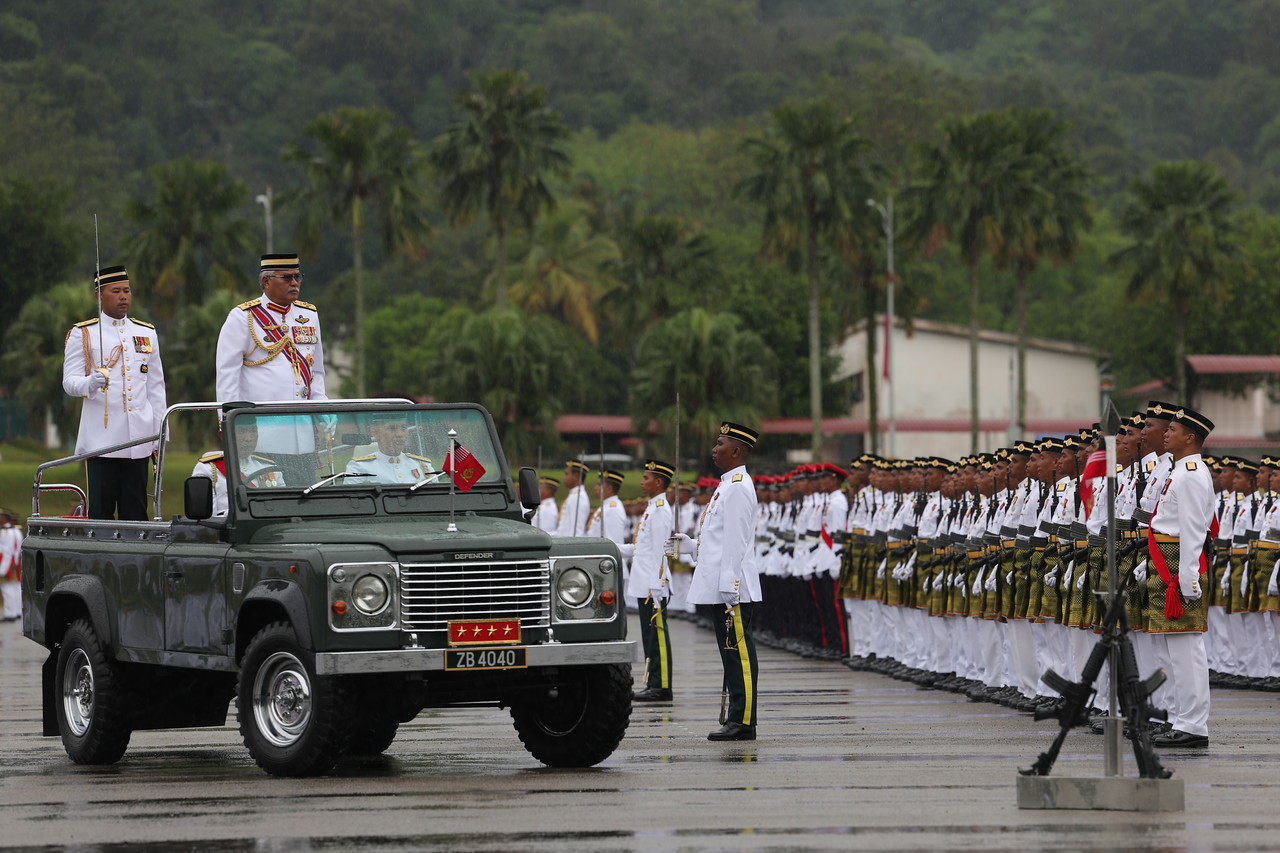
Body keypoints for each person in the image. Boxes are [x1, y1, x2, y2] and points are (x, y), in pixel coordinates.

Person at [672, 422, 762, 741]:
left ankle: (744, 720)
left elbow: (737, 542)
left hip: (732, 587)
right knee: (729, 653)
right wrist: (689, 545)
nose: (714, 448)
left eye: (720, 443)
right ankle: (737, 716)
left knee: (738, 653)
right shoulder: (725, 485)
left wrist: (730, 584)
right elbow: (717, 540)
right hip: (722, 585)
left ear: (736, 451)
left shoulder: (738, 486)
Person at [62, 264, 167, 520]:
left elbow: (155, 387)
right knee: (101, 512)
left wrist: (160, 433)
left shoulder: (145, 332)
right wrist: (91, 382)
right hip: (103, 441)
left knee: (136, 512)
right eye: (116, 291)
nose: (123, 296)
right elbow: (69, 382)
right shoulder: (84, 333)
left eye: (127, 291)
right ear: (99, 295)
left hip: (138, 439)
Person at [215, 253, 328, 484]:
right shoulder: (243, 317)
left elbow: (315, 371)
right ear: (266, 281)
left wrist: (323, 409)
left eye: (297, 277)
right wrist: (228, 424)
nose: (294, 283)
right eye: (286, 278)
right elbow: (227, 377)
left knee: (304, 496)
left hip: (304, 434)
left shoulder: (308, 314)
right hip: (263, 437)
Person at [1148, 406, 1217, 748]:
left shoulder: (1191, 473)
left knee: (1187, 648)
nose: (1166, 433)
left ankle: (1193, 726)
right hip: (1166, 560)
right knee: (1171, 649)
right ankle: (1181, 718)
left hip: (1178, 565)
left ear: (1190, 437)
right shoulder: (1179, 471)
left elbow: (1192, 530)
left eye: (1172, 429)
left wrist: (1188, 576)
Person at [624, 460, 677, 701]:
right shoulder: (651, 508)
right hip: (645, 582)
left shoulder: (661, 510)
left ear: (658, 482)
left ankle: (662, 685)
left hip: (652, 585)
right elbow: (641, 547)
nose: (642, 482)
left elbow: (659, 551)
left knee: (658, 637)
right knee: (650, 636)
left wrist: (657, 585)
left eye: (646, 478)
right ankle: (654, 681)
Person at [345, 413, 436, 484]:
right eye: (392, 428)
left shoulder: (423, 466)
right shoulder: (359, 468)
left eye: (404, 428)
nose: (400, 434)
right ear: (375, 432)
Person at [586, 469, 627, 547]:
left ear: (609, 489)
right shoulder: (605, 507)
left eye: (599, 485)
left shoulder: (613, 510)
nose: (595, 488)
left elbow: (613, 544)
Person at [555, 460, 591, 537]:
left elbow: (577, 530)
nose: (564, 478)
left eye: (567, 474)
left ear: (576, 476)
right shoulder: (574, 496)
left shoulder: (579, 498)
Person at [0, 508, 22, 622]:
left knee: (7, 588)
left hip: (6, 563)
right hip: (13, 563)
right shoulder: (13, 531)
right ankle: (16, 611)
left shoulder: (7, 532)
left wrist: (3, 569)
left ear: (4, 518)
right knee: (15, 587)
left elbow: (7, 551)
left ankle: (10, 613)